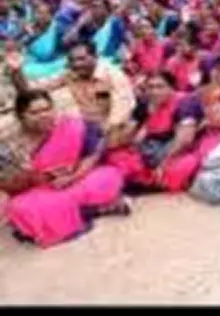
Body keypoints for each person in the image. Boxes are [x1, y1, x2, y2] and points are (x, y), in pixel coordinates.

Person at [2, 90, 129, 247]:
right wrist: (33, 177)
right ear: (21, 116)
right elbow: (8, 185)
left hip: (77, 179)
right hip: (39, 190)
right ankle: (97, 209)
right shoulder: (11, 145)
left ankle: (81, 210)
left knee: (108, 175)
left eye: (47, 109)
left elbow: (92, 155)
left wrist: (72, 177)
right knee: (19, 207)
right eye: (34, 112)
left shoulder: (72, 126)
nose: (44, 115)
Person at [104, 71, 203, 192]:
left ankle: (145, 182)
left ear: (171, 88)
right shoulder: (144, 103)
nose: (155, 92)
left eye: (160, 87)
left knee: (186, 164)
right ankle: (144, 180)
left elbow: (185, 140)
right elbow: (127, 135)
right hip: (150, 149)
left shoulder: (186, 102)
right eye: (150, 87)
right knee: (114, 156)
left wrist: (163, 164)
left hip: (175, 152)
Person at [8, 41, 136, 132]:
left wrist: (101, 137)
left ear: (95, 57)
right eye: (72, 60)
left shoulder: (113, 76)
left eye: (81, 59)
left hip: (114, 131)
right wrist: (16, 71)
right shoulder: (70, 74)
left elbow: (120, 115)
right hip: (88, 127)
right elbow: (29, 91)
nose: (76, 64)